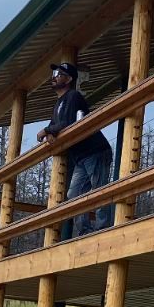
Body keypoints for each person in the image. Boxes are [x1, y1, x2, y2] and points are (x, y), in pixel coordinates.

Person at [37, 61, 113, 235]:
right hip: (80, 157)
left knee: (99, 188)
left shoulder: (73, 96)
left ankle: (103, 229)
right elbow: (55, 125)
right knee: (74, 195)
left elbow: (68, 123)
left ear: (69, 79)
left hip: (95, 151)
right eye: (53, 74)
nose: (54, 77)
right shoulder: (59, 104)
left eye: (58, 73)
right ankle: (85, 231)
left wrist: (48, 131)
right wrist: (50, 131)